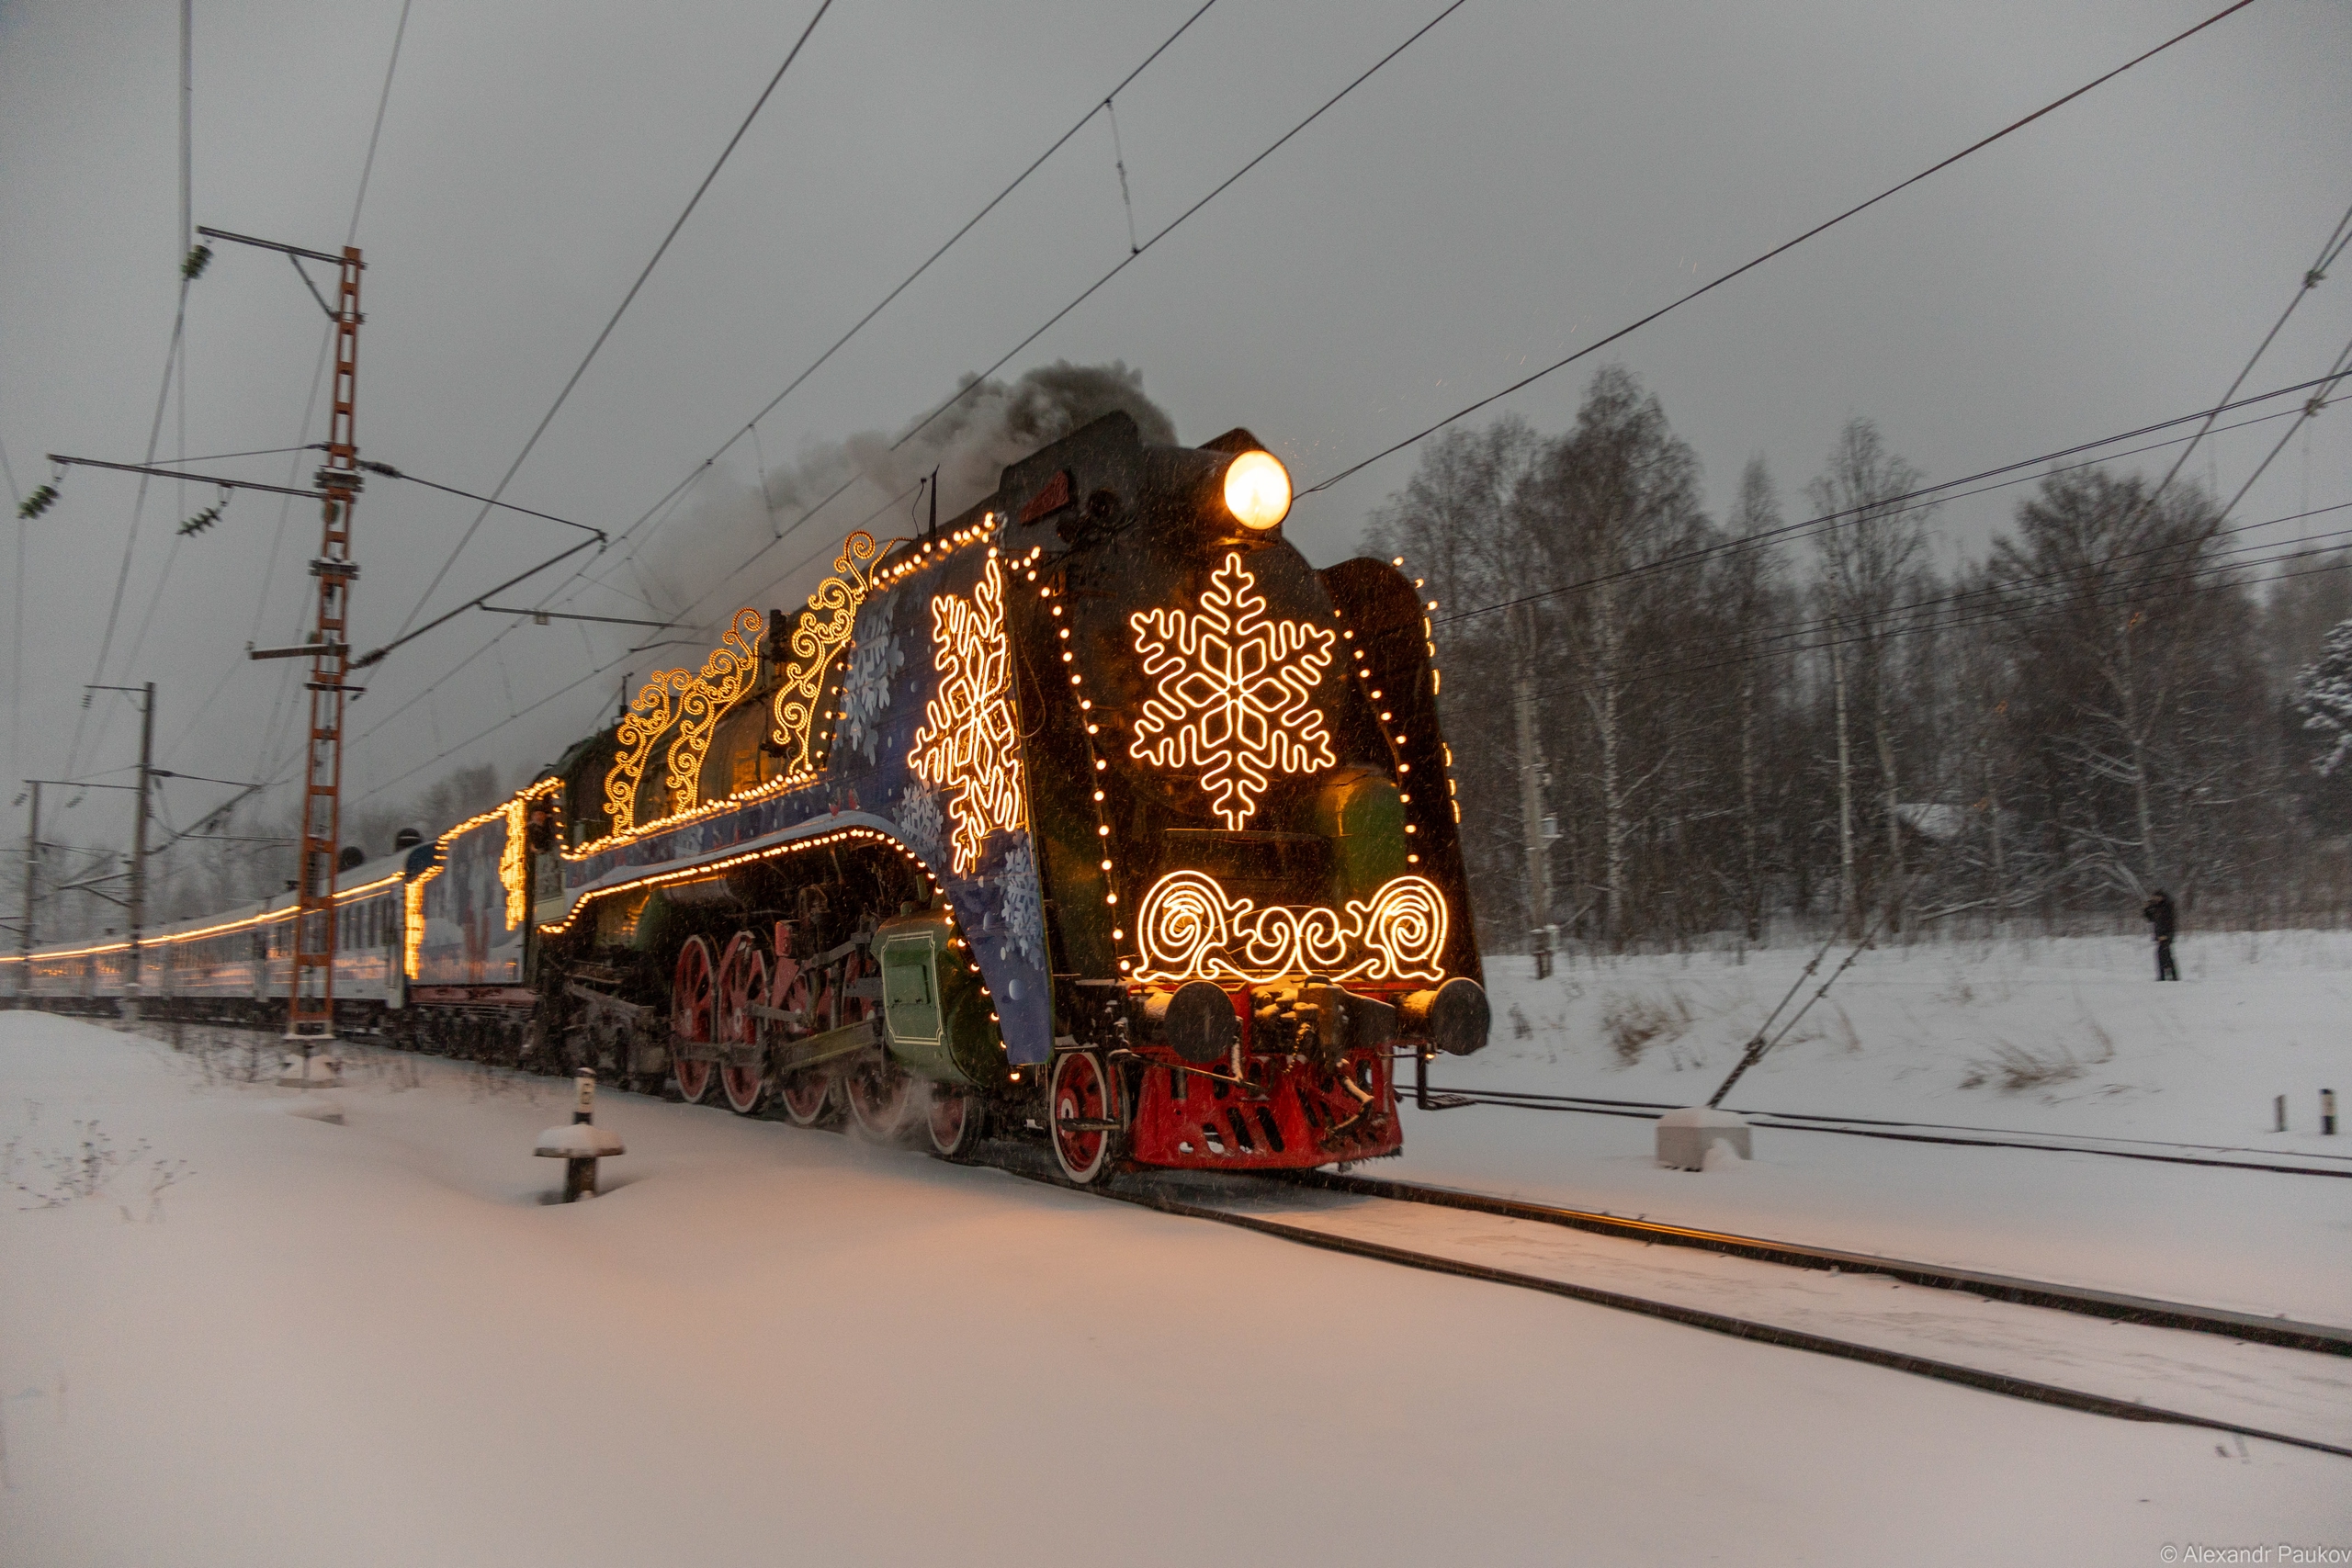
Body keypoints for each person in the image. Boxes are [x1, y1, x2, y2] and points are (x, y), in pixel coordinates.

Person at [2143, 889, 2179, 981]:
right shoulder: (2157, 907)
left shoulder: (2167, 906)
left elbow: (2169, 921)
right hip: (2160, 935)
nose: (2155, 899)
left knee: (2165, 955)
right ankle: (2165, 976)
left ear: (2162, 897)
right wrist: (2147, 908)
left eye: (2156, 897)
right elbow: (2150, 918)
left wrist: (2166, 935)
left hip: (2166, 934)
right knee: (2162, 955)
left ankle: (2171, 976)